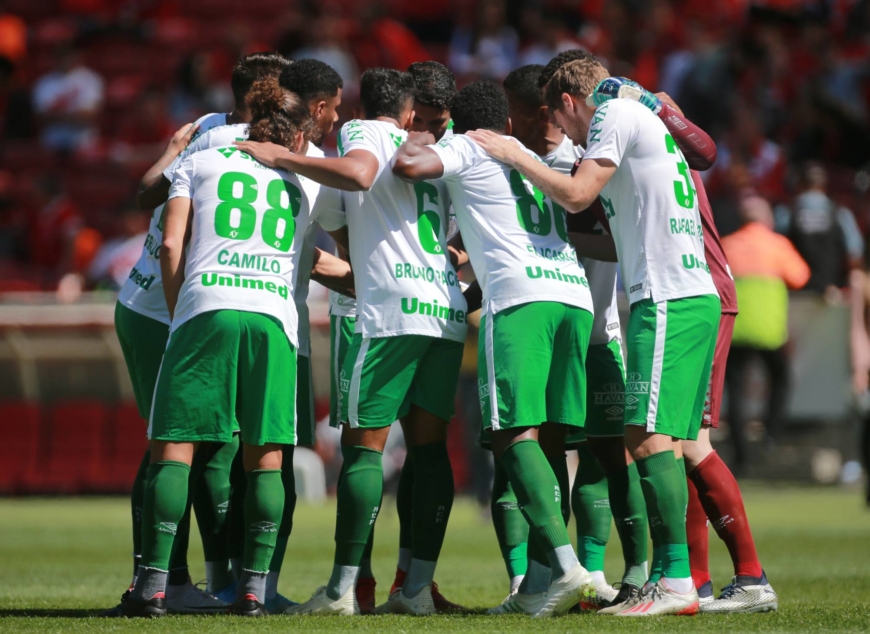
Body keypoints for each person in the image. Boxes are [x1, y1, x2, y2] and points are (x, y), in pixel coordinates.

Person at [468, 58, 721, 616]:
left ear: (563, 104)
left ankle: (675, 579)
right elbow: (698, 157)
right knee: (652, 439)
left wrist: (514, 155)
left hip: (668, 295)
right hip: (686, 292)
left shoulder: (612, 115)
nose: (575, 140)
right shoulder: (646, 117)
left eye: (568, 123)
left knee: (648, 440)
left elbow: (579, 195)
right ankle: (668, 576)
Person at [236, 68, 467, 616]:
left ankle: (344, 589)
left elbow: (358, 179)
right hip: (444, 308)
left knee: (363, 449)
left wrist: (283, 159)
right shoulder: (441, 151)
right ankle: (415, 589)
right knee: (429, 452)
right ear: (414, 113)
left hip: (388, 311)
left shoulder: (367, 132)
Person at [394, 80, 597, 618]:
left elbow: (407, 168)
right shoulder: (530, 154)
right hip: (572, 298)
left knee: (510, 433)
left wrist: (416, 134)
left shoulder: (464, 145)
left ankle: (568, 566)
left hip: (520, 302)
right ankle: (536, 585)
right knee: (551, 443)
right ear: (508, 120)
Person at [121, 80, 315, 619]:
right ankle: (253, 592)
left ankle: (153, 589)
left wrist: (181, 308)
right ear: (296, 135)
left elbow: (168, 243)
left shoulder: (198, 162)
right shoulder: (308, 179)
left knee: (174, 449)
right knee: (266, 460)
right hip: (275, 319)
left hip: (206, 305)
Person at [590, 77, 780, 613]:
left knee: (684, 440)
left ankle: (728, 576)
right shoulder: (662, 146)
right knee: (677, 439)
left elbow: (704, 150)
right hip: (703, 292)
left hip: (698, 294)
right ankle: (694, 580)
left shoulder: (648, 141)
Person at [497, 63, 646, 610]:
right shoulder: (539, 163)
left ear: (550, 109)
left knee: (596, 454)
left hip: (592, 332)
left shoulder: (584, 169)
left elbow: (600, 227)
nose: (509, 124)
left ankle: (610, 572)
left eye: (515, 112)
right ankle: (541, 578)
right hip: (574, 327)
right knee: (552, 453)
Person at [722, 195, 810, 469]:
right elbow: (801, 276)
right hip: (770, 333)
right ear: (767, 218)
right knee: (781, 378)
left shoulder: (727, 245)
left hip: (735, 330)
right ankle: (771, 435)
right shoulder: (778, 245)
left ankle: (741, 455)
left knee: (735, 392)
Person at [32, 44, 103, 154]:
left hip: (84, 143)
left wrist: (55, 116)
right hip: (51, 144)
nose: (65, 59)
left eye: (68, 55)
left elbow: (88, 117)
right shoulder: (44, 82)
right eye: (61, 56)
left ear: (78, 56)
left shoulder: (90, 79)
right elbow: (40, 119)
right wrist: (73, 115)